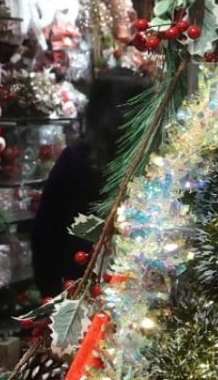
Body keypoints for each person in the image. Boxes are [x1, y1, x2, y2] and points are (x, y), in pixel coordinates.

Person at [31, 68, 150, 296]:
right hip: (138, 283)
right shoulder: (151, 159)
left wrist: (49, 289)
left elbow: (47, 231)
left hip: (81, 280)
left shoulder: (75, 159)